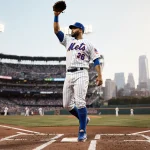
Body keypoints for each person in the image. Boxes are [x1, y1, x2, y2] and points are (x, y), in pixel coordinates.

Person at [53, 11, 103, 142]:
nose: (72, 30)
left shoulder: (88, 43)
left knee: (80, 102)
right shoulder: (68, 41)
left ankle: (82, 131)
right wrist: (56, 15)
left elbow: (96, 60)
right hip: (68, 74)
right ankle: (84, 119)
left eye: (74, 28)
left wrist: (99, 76)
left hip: (82, 73)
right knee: (67, 105)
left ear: (80, 30)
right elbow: (56, 31)